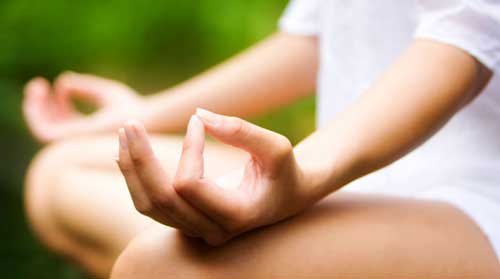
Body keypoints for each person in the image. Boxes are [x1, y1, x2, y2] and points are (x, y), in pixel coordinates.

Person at [23, 0, 500, 278]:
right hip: (359, 178)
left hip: (478, 205)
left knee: (161, 266)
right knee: (59, 173)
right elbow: (311, 38)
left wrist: (307, 175)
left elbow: (465, 39)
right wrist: (145, 114)